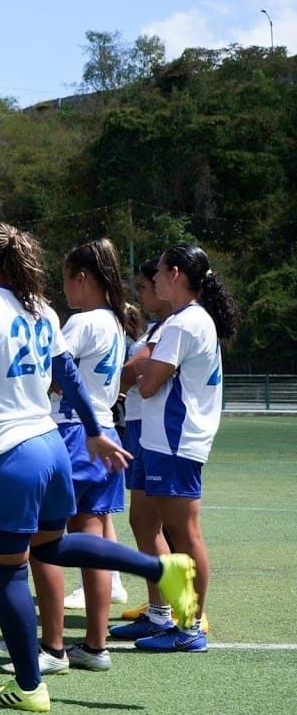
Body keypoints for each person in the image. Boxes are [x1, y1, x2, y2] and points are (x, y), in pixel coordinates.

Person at [0, 220, 197, 712]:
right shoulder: (42, 309)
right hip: (53, 446)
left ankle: (30, 687)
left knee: (10, 571)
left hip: (9, 454)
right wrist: (96, 430)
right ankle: (158, 566)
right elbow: (68, 377)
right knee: (51, 545)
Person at [29, 238, 141, 673]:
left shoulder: (83, 322)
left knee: (46, 540)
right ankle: (96, 646)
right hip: (106, 432)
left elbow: (56, 373)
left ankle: (53, 648)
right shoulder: (116, 322)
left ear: (81, 278)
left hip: (74, 434)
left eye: (66, 280)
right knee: (92, 543)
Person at [125, 244, 238, 653]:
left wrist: (138, 372)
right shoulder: (185, 320)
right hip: (163, 440)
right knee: (148, 524)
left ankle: (190, 626)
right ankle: (164, 617)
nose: (152, 279)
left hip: (177, 440)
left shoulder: (184, 323)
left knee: (184, 534)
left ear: (174, 273)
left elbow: (150, 383)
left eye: (157, 272)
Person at [112, 260, 175, 628]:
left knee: (166, 525)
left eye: (145, 286)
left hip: (154, 432)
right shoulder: (157, 326)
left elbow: (139, 368)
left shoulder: (172, 326)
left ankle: (185, 608)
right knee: (143, 521)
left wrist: (112, 383)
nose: (141, 293)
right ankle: (160, 608)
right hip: (139, 428)